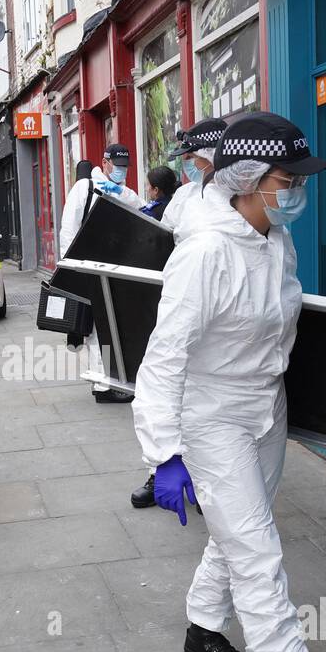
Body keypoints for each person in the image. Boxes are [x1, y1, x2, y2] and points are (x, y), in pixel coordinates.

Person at [133, 112, 326, 652]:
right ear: (250, 181)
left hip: (266, 407)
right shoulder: (204, 255)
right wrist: (165, 455)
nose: (297, 193)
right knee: (256, 548)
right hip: (213, 418)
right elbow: (163, 359)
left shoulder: (274, 243)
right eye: (288, 181)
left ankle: (203, 631)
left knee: (240, 530)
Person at [131, 121, 227, 509]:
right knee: (172, 388)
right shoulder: (185, 197)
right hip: (181, 303)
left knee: (207, 406)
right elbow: (158, 240)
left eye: (189, 158)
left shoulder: (240, 200)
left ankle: (207, 484)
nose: (186, 166)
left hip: (217, 317)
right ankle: (161, 470)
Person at [58, 143, 142, 404]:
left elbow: (139, 208)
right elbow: (68, 228)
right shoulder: (84, 188)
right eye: (117, 166)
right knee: (97, 328)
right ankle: (102, 386)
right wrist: (70, 267)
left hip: (116, 268)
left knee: (111, 325)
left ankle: (110, 380)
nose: (121, 171)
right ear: (104, 163)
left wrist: (119, 192)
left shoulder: (123, 191)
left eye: (124, 167)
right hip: (88, 265)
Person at [160, 118, 227, 237]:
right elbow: (164, 234)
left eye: (189, 157)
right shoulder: (183, 194)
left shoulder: (237, 193)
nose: (186, 163)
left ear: (210, 155)